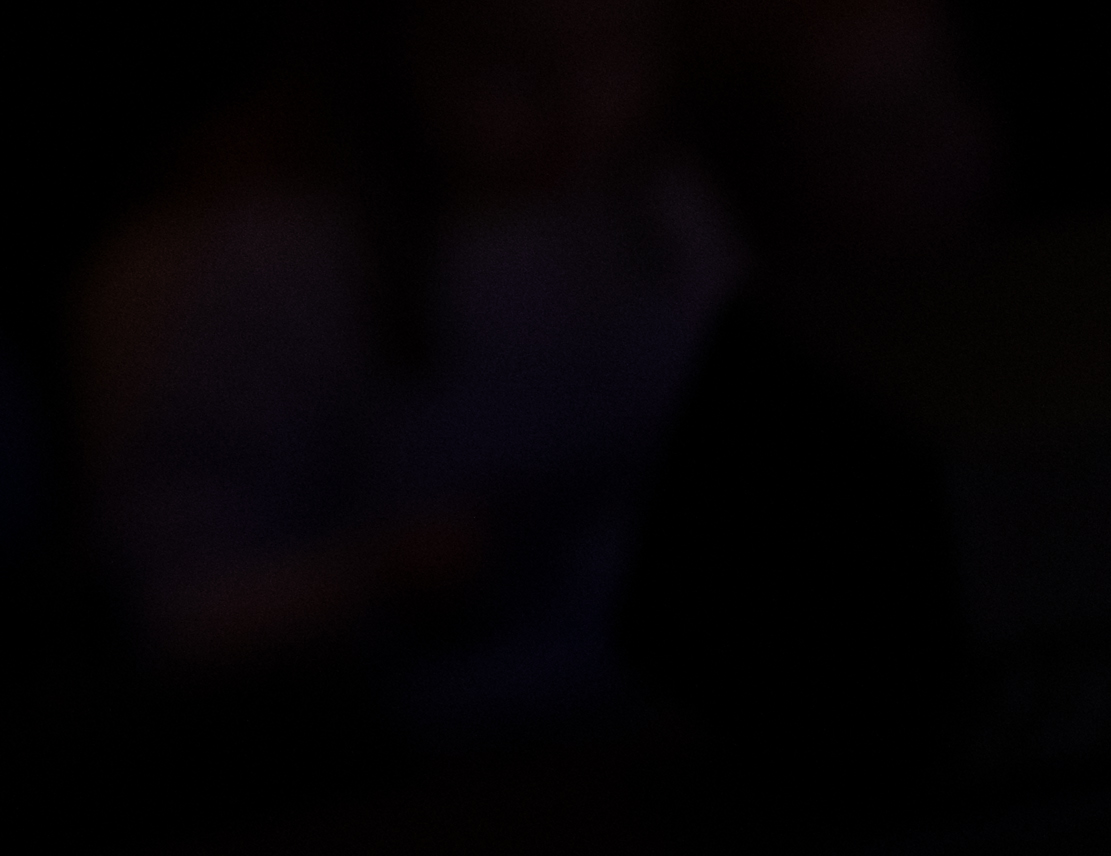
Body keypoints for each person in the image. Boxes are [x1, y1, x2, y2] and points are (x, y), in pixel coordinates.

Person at [76, 0, 738, 727]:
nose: (574, 100)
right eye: (503, 60)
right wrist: (379, 576)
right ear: (385, 50)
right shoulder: (272, 270)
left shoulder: (662, 210)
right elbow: (170, 598)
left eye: (617, 45)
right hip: (396, 755)